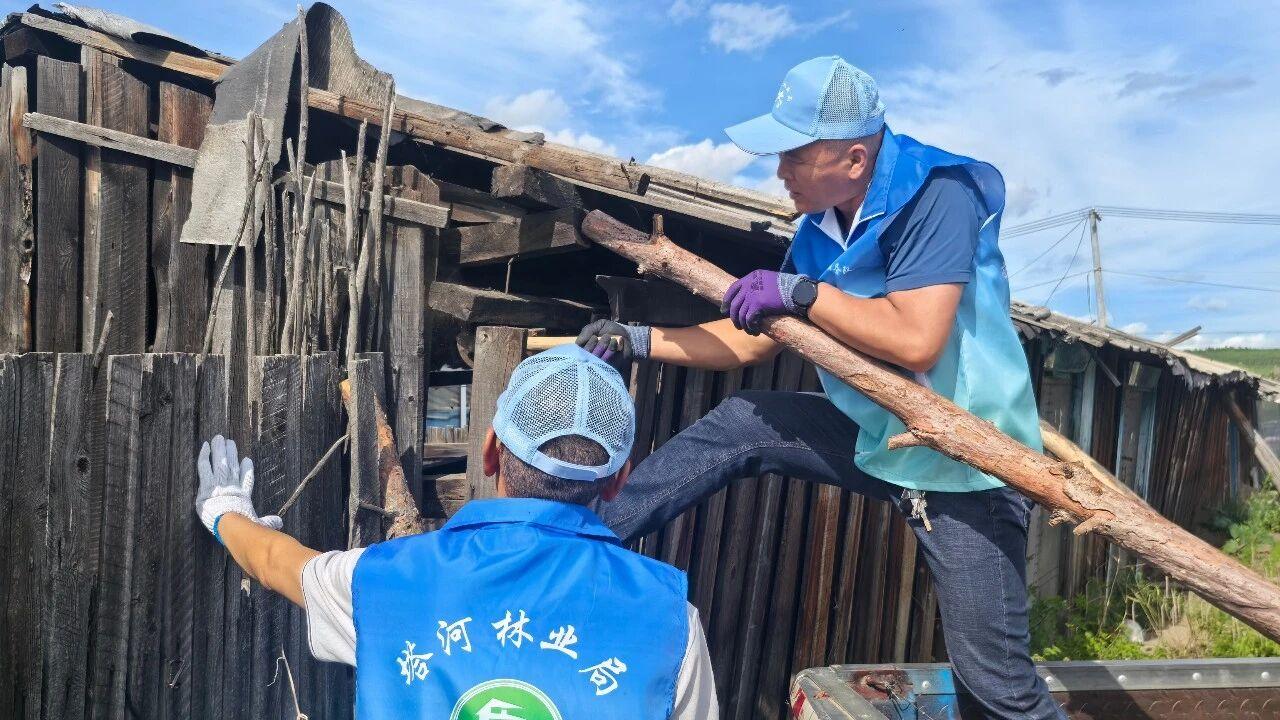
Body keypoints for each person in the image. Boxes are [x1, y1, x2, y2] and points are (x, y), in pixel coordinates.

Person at [577, 56, 1065, 719]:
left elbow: (917, 340)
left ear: (855, 159)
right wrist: (637, 340)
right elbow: (755, 340)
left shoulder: (936, 195)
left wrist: (805, 294)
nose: (779, 170)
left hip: (967, 463)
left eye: (793, 155)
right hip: (883, 440)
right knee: (745, 421)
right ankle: (580, 538)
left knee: (996, 688)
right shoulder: (821, 230)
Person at [195, 344, 717, 719]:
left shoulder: (385, 581)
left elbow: (275, 562)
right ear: (618, 482)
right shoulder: (671, 620)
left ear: (489, 452)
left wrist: (225, 512)